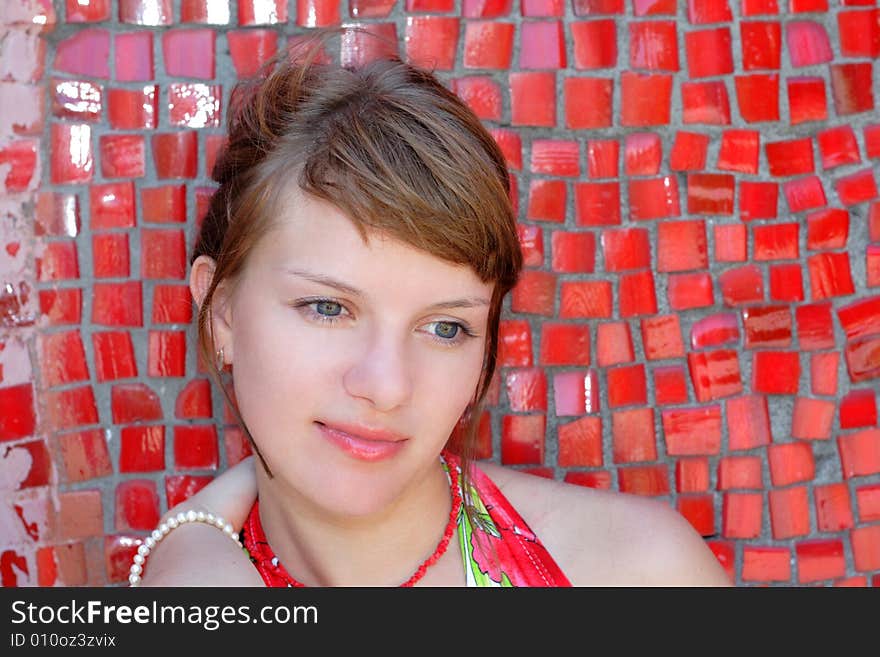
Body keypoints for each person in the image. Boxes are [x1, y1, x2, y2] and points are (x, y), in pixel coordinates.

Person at [130, 31, 732, 588]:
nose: (387, 386)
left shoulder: (637, 574)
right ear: (222, 312)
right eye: (328, 307)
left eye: (446, 327)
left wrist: (193, 533)